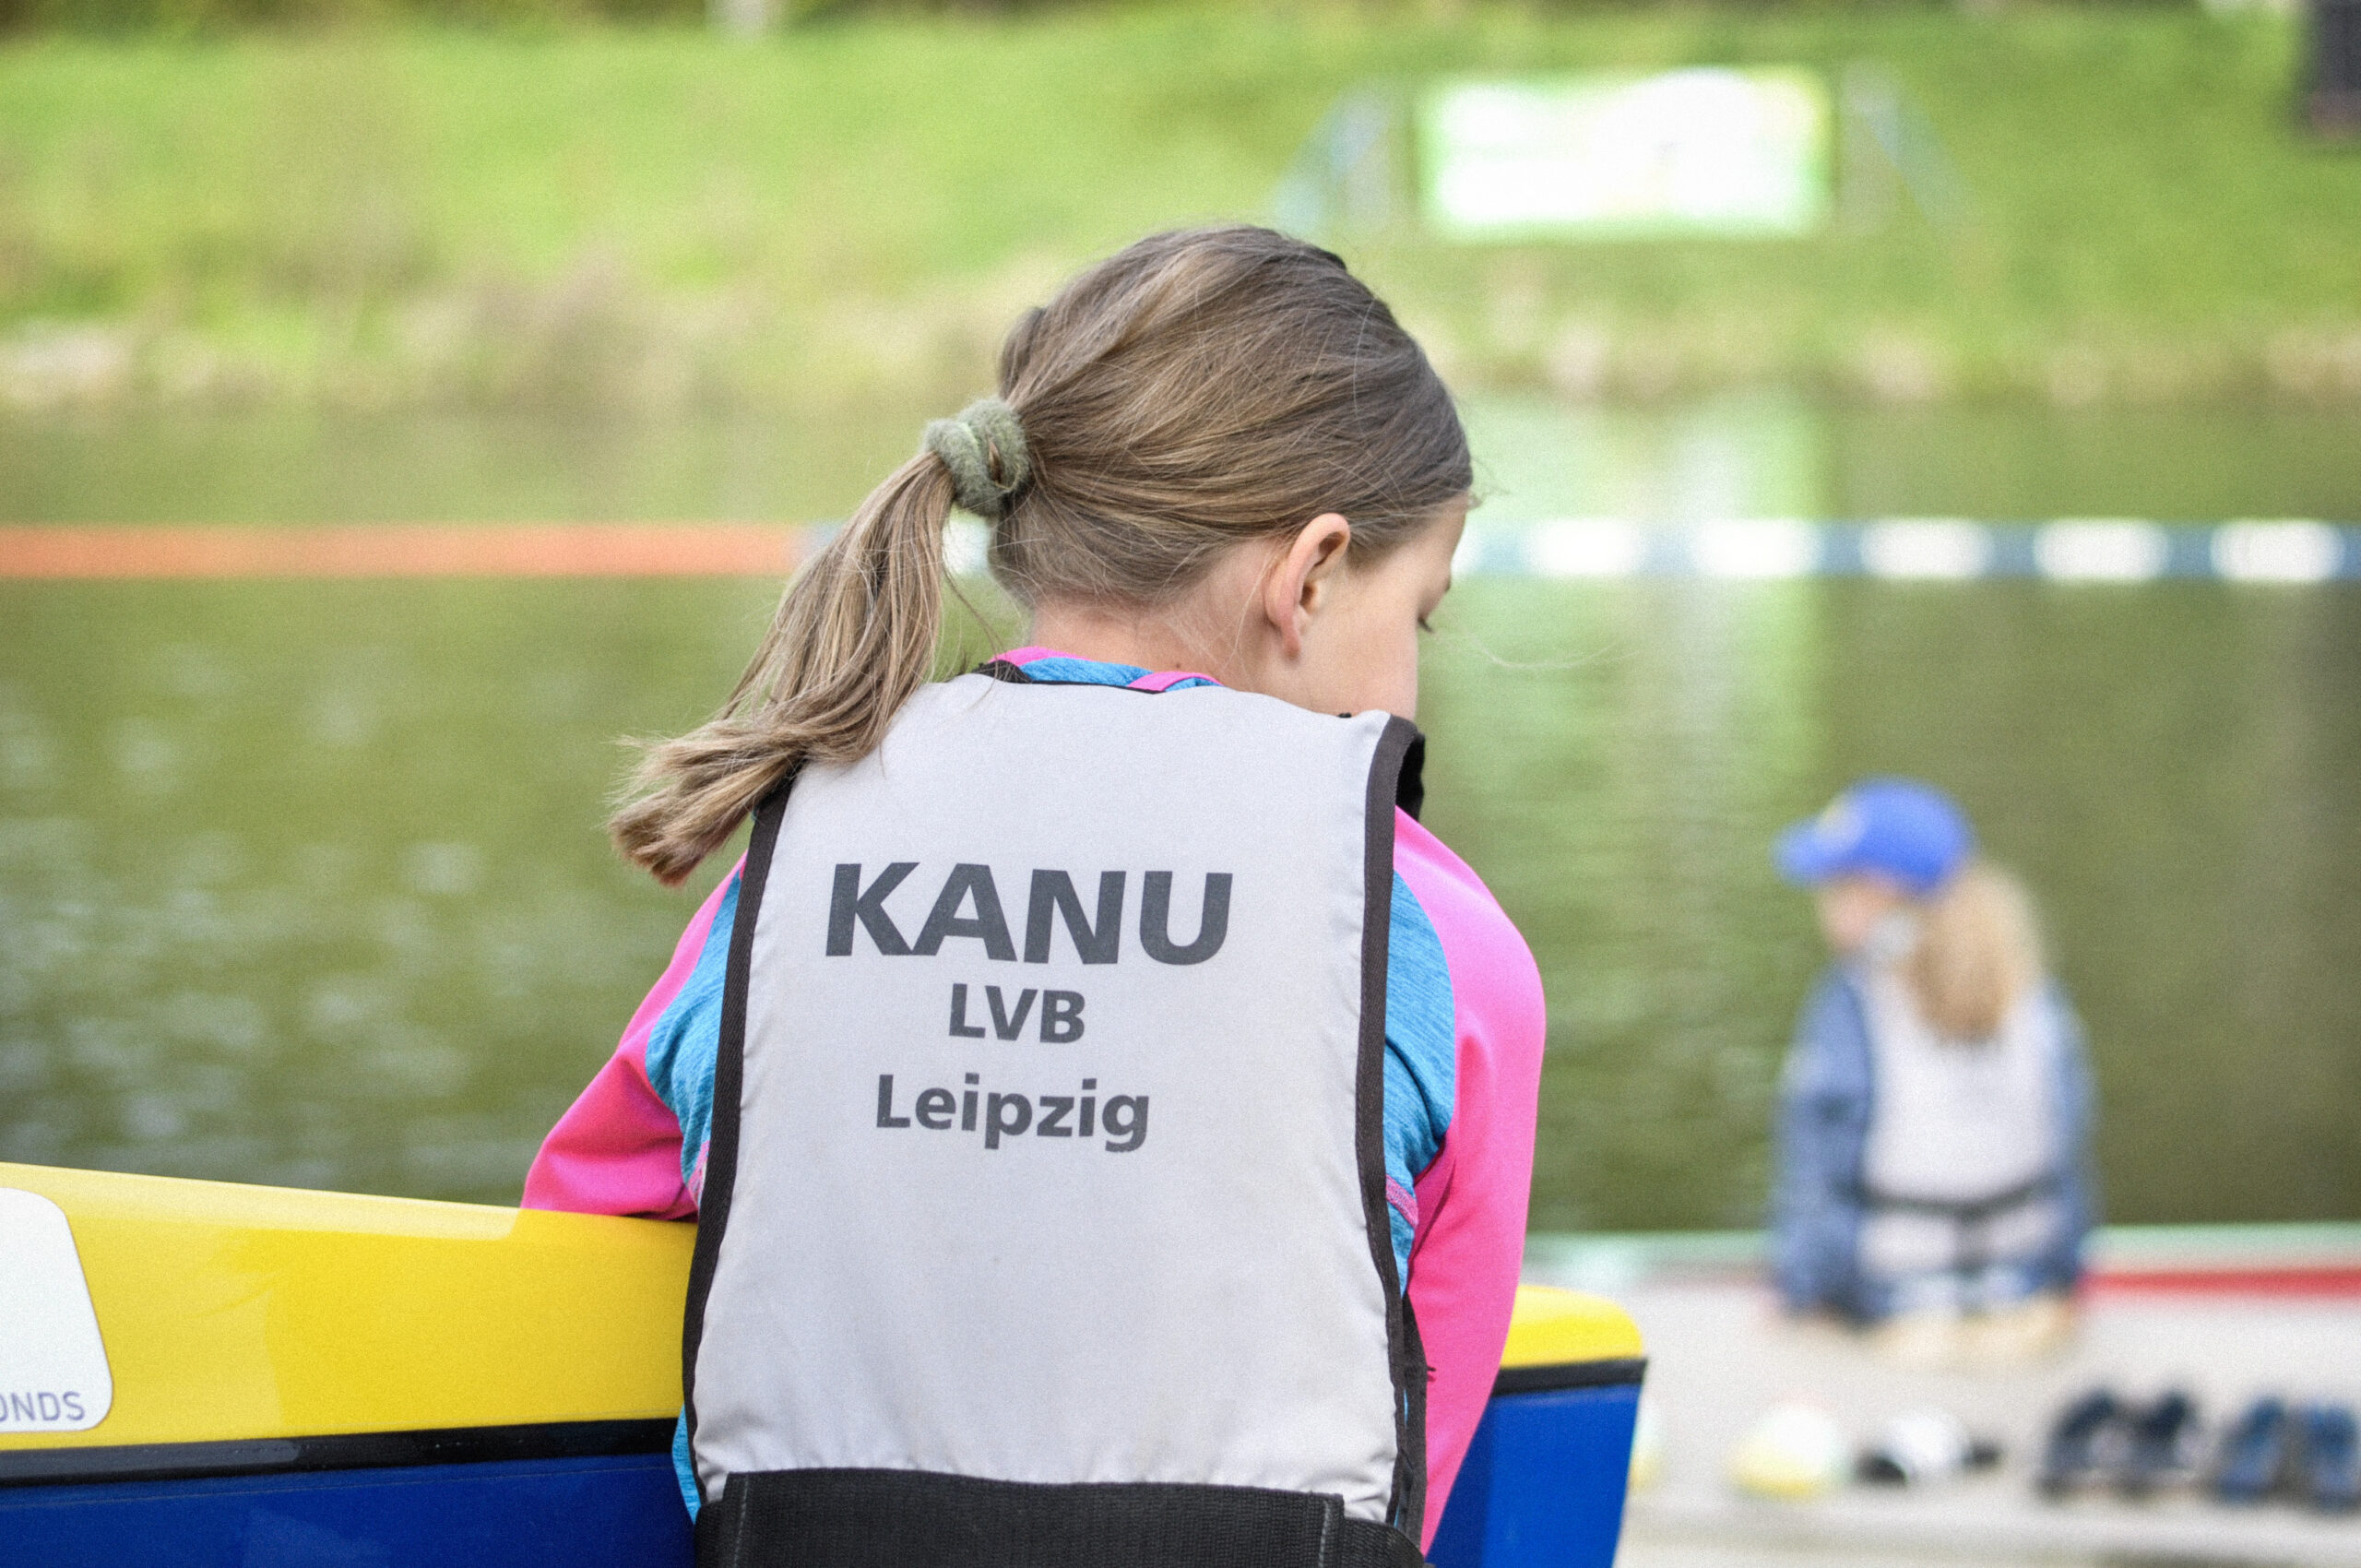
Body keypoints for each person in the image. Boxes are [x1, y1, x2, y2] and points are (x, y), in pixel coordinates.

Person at [523, 227, 1546, 1567]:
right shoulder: (1431, 933)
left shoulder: (791, 869)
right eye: (1418, 614)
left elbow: (569, 1268)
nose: (1413, 667)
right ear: (1308, 576)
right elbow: (1422, 1439)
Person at [1768, 778, 2094, 1366]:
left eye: (1836, 887)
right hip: (2025, 1305)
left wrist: (1802, 1299)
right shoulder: (2037, 997)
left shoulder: (1849, 1002)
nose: (1825, 904)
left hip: (1894, 1312)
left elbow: (1817, 1184)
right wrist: (2064, 1287)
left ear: (1877, 896)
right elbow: (2069, 1166)